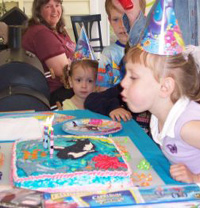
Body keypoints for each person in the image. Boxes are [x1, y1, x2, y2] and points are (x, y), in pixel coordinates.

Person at [22, 0, 75, 106]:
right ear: (38, 11)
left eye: (57, 5)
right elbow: (63, 71)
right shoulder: (41, 33)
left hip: (70, 85)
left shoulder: (58, 30)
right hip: (56, 93)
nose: (55, 10)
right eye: (48, 6)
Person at [96, 0, 146, 92]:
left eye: (126, 18)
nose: (122, 25)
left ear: (141, 19)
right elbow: (103, 89)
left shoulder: (147, 50)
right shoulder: (108, 53)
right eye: (115, 19)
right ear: (109, 21)